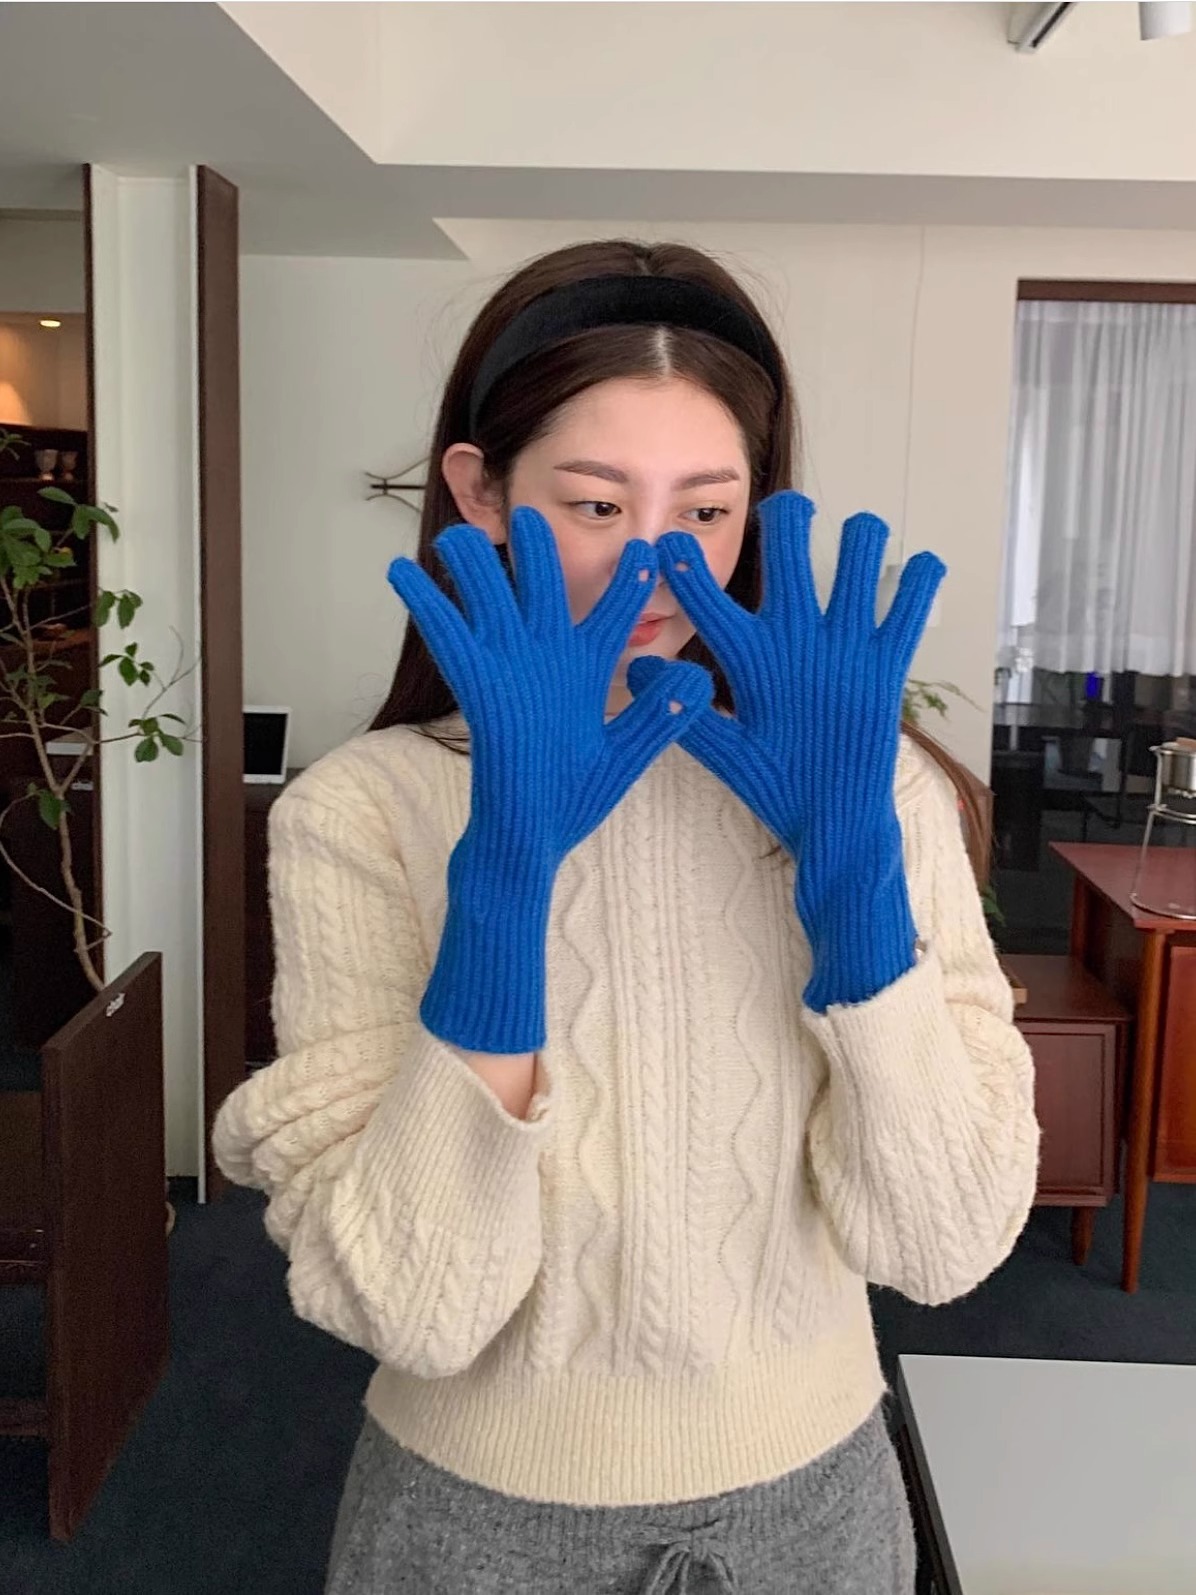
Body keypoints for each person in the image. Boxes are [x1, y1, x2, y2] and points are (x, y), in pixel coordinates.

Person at [212, 238, 1041, 1595]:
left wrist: (851, 871)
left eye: (706, 511)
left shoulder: (869, 787)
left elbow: (940, 1244)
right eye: (596, 504)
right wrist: (504, 880)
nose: (657, 567)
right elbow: (410, 1306)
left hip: (819, 1509)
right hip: (472, 1527)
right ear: (481, 491)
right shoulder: (362, 812)